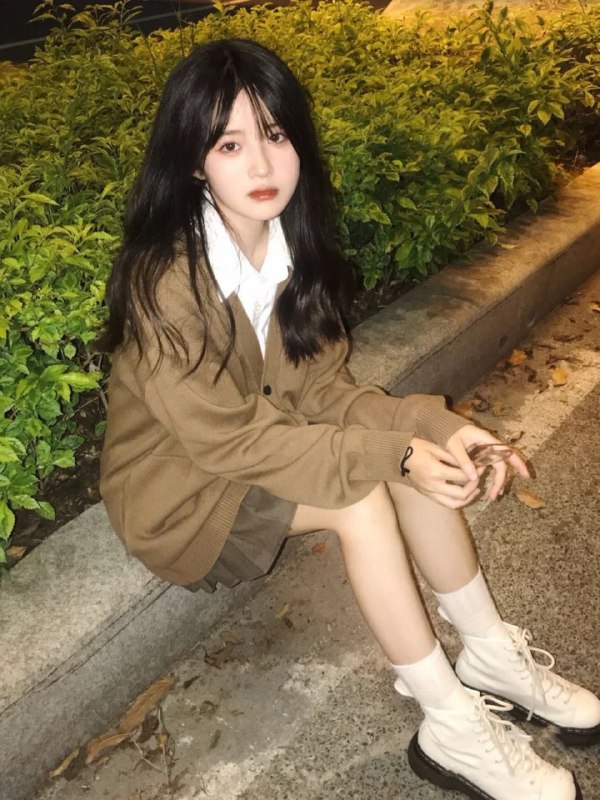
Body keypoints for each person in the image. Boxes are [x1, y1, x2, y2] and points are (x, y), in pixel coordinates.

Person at [99, 38, 599, 800]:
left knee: (401, 454)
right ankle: (451, 726)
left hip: (258, 450)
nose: (261, 165)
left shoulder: (286, 247)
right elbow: (229, 440)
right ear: (194, 162)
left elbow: (327, 393)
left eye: (274, 134)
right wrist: (393, 456)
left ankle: (491, 655)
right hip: (182, 491)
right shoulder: (166, 281)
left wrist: (436, 431)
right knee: (362, 491)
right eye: (229, 145)